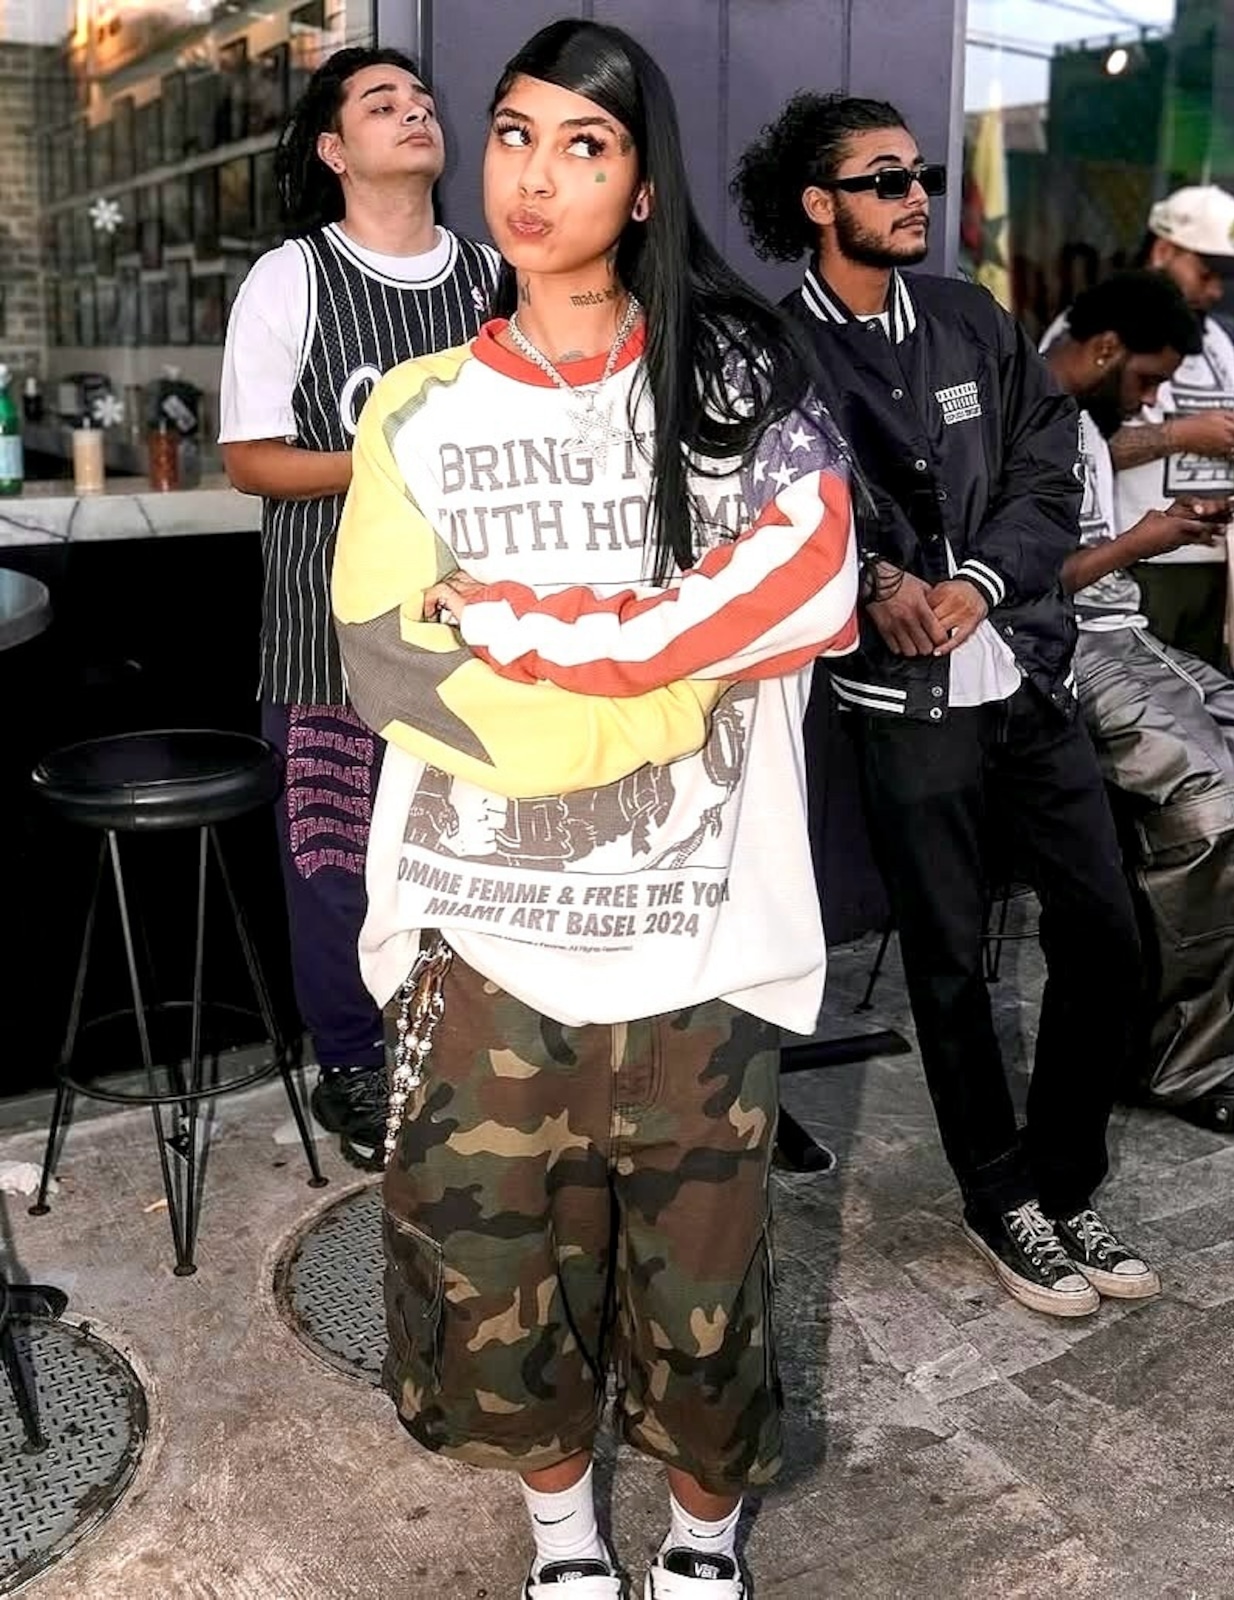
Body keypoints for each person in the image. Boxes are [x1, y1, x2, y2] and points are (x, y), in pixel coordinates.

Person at [332, 22, 860, 1600]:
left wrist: (529, 630)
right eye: (514, 133)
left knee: (705, 1302)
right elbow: (392, 667)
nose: (535, 174)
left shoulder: (737, 381)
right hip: (484, 950)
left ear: (641, 187)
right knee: (494, 1291)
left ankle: (703, 1540)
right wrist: (673, 684)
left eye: (585, 143)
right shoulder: (417, 408)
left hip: (701, 945)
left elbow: (811, 580)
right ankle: (564, 1540)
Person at [733, 91, 1158, 1319]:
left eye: (916, 173)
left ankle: (1065, 1179)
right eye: (882, 179)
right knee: (948, 963)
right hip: (900, 701)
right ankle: (998, 1194)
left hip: (1022, 673)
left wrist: (976, 580)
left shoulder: (970, 317)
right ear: (818, 204)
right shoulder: (775, 352)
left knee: (1103, 934)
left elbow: (1044, 469)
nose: (912, 194)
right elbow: (776, 508)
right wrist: (873, 581)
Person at [219, 47, 499, 1168]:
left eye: (422, 100)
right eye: (383, 104)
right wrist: (388, 462)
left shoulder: (489, 277)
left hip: (471, 630)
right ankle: (350, 1059)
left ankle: (462, 1049)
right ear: (335, 150)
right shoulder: (292, 277)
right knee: (334, 861)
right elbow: (250, 459)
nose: (414, 111)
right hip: (323, 629)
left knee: (466, 852)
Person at [1042, 270, 1234, 1133]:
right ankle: (1183, 1053)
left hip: (1127, 632)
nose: (1149, 400)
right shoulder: (1024, 412)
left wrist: (1156, 528)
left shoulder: (1085, 421)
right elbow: (1027, 580)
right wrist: (1144, 540)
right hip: (1064, 646)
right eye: (1145, 380)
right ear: (1106, 349)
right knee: (1206, 799)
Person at [1107, 188, 1234, 664]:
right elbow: (1073, 448)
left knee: (1204, 697)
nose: (1216, 291)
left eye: (1223, 278)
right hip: (1138, 561)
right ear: (1162, 251)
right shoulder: (1100, 331)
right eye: (1206, 273)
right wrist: (1184, 434)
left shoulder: (1217, 341)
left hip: (1213, 559)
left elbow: (1206, 425)